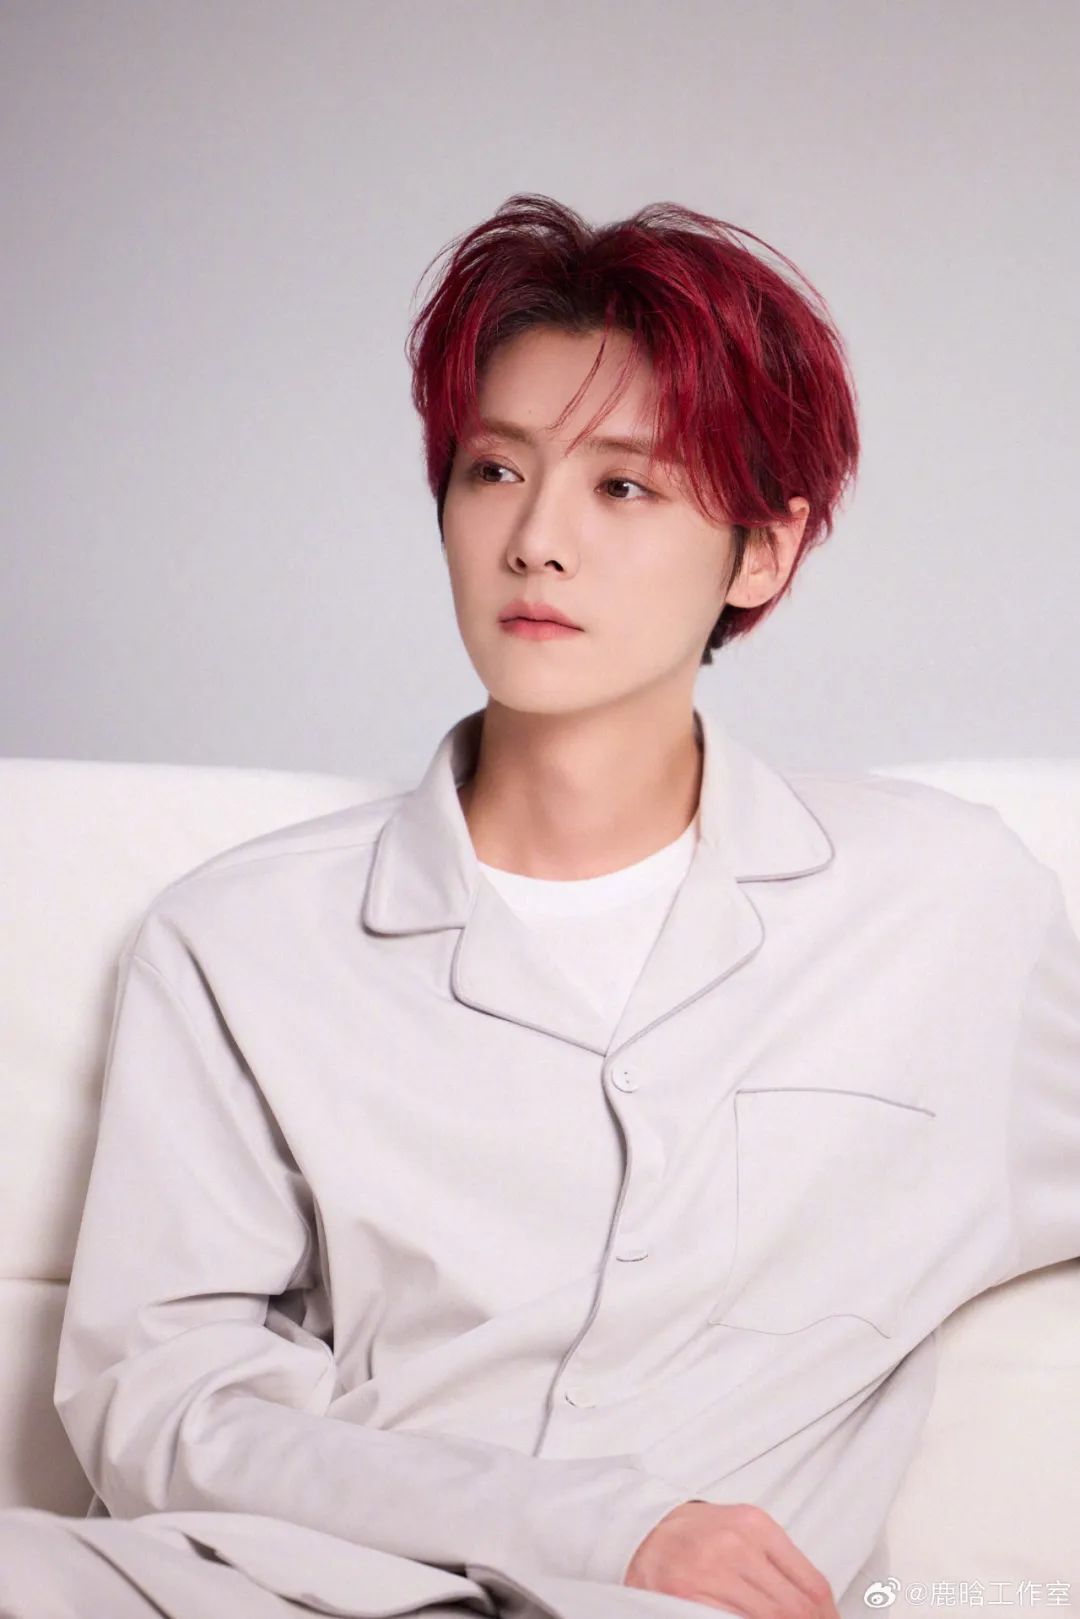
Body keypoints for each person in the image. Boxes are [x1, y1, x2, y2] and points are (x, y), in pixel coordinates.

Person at [3, 194, 1079, 1619]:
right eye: (495, 470)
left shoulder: (947, 909)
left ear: (763, 551)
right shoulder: (238, 940)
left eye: (624, 488)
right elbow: (160, 1403)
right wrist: (589, 1525)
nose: (535, 541)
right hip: (263, 1588)